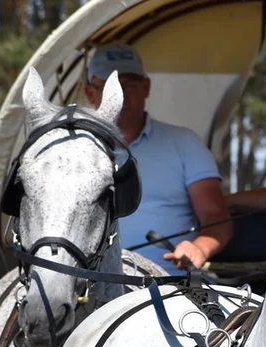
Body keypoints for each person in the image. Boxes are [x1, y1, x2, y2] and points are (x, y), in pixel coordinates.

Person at [84, 44, 232, 272]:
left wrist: (199, 249)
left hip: (171, 290)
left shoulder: (185, 143)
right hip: (93, 290)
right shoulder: (75, 153)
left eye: (129, 84)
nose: (120, 94)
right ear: (90, 93)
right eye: (109, 86)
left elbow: (216, 217)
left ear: (146, 87)